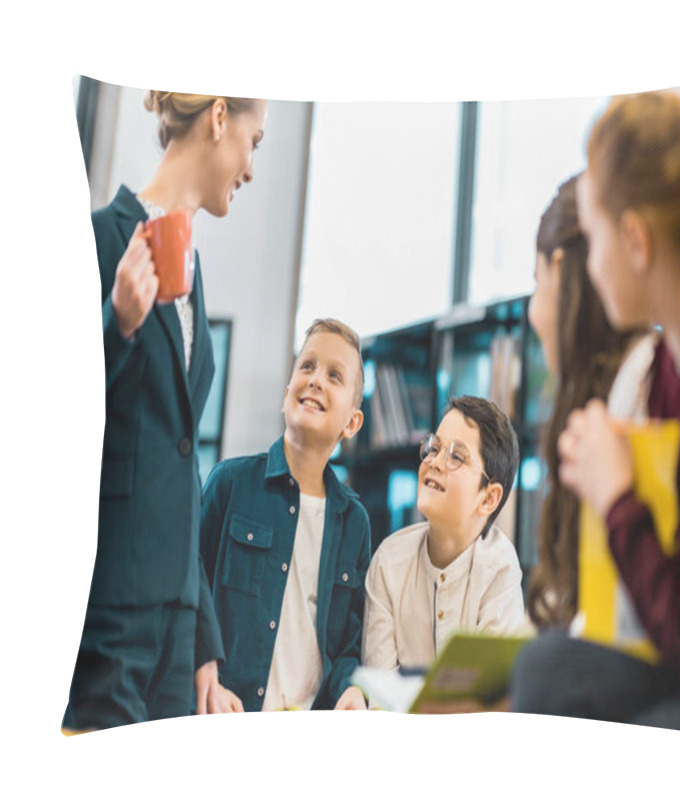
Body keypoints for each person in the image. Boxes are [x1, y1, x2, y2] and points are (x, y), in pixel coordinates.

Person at [510, 91, 680, 735]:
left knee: (547, 674)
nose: (591, 264)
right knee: (547, 668)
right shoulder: (667, 372)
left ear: (634, 239)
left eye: (596, 235)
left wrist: (616, 499)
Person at [63, 91, 268, 731]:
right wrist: (116, 325)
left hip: (175, 640)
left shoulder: (194, 271)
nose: (252, 167)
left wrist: (203, 640)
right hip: (106, 617)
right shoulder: (94, 240)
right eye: (253, 141)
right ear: (216, 117)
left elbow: (183, 463)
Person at [199, 319, 371, 712]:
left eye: (334, 376)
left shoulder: (354, 524)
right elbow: (188, 601)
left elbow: (347, 645)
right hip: (224, 716)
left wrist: (351, 688)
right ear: (286, 393)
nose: (315, 381)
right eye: (306, 366)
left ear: (352, 423)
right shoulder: (230, 483)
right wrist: (203, 677)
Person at [526, 174, 651, 632]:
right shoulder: (629, 380)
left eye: (535, 280)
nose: (532, 312)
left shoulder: (638, 386)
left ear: (558, 269)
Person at [362, 395, 528, 673]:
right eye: (434, 448)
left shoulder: (499, 567)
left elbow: (488, 693)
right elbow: (379, 691)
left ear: (488, 499)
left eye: (456, 457)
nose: (434, 462)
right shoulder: (389, 562)